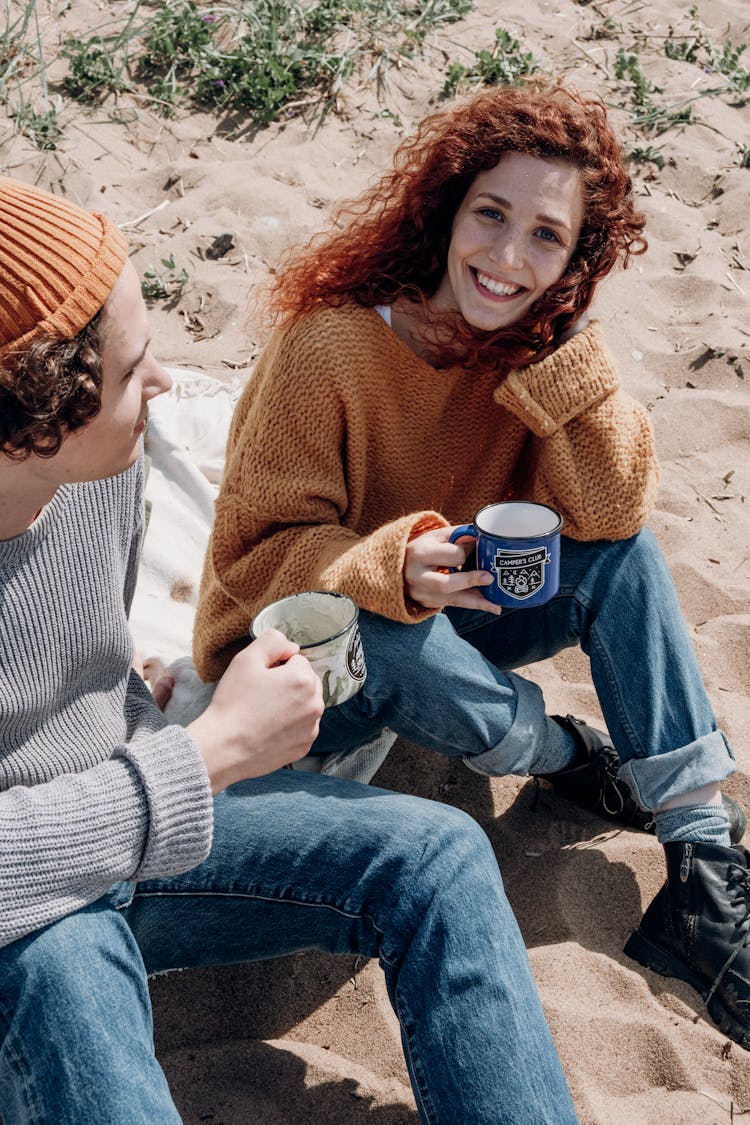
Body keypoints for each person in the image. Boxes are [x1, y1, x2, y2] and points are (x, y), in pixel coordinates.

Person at [0, 176, 580, 1124]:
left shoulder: (98, 469)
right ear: (33, 423)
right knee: (66, 966)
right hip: (26, 914)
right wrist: (209, 753)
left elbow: (66, 661)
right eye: (133, 369)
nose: (166, 385)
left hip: (130, 827)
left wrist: (128, 707)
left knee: (436, 857)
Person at [193, 79, 750, 1050]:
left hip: (454, 612)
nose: (506, 257)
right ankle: (570, 755)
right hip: (319, 651)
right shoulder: (329, 349)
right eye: (490, 215)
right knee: (394, 631)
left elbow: (612, 515)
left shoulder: (533, 351)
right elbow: (253, 556)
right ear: (447, 206)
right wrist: (390, 567)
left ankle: (702, 873)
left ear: (578, 257)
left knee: (622, 561)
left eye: (547, 236)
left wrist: (567, 346)